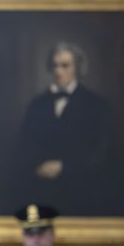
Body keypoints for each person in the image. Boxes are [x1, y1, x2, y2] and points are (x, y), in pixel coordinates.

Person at [18, 42, 121, 216]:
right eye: (55, 66)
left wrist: (63, 167)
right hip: (42, 194)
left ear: (78, 68)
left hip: (83, 194)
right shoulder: (36, 105)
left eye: (65, 66)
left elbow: (103, 153)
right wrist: (35, 166)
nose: (58, 72)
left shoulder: (97, 105)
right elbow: (24, 147)